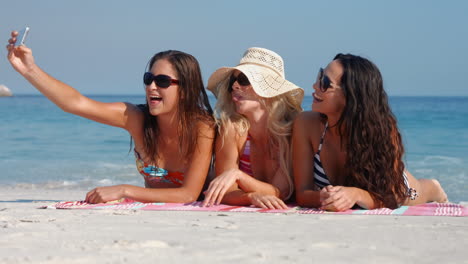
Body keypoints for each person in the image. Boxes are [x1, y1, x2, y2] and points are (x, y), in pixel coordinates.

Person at [6, 31, 215, 204]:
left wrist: (124, 190)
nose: (151, 86)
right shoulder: (136, 118)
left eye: (162, 81)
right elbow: (75, 103)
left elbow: (188, 195)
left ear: (186, 90)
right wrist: (29, 69)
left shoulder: (202, 127)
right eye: (148, 78)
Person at [293, 53, 448, 211]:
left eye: (325, 82)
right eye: (320, 75)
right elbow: (303, 193)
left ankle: (432, 188)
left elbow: (391, 197)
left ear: (351, 96)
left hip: (397, 189)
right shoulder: (306, 124)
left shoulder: (381, 130)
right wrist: (324, 197)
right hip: (360, 193)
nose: (315, 85)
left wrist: (357, 194)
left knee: (413, 195)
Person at [202, 47, 304, 209]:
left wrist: (238, 176)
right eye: (232, 81)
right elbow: (225, 191)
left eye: (244, 79)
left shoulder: (291, 132)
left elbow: (281, 192)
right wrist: (251, 197)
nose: (235, 85)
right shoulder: (232, 129)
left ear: (269, 90)